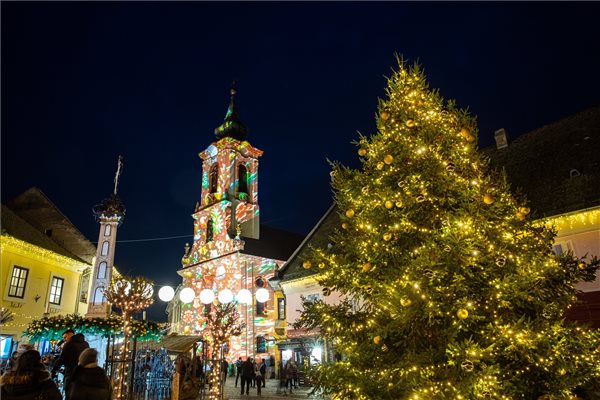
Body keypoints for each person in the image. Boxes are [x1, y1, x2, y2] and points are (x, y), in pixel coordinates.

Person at [53, 329, 89, 395]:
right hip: (83, 374)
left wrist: (54, 367)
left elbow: (62, 359)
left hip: (71, 374)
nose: (64, 339)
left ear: (70, 334)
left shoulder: (69, 344)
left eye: (65, 337)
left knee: (69, 394)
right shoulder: (86, 343)